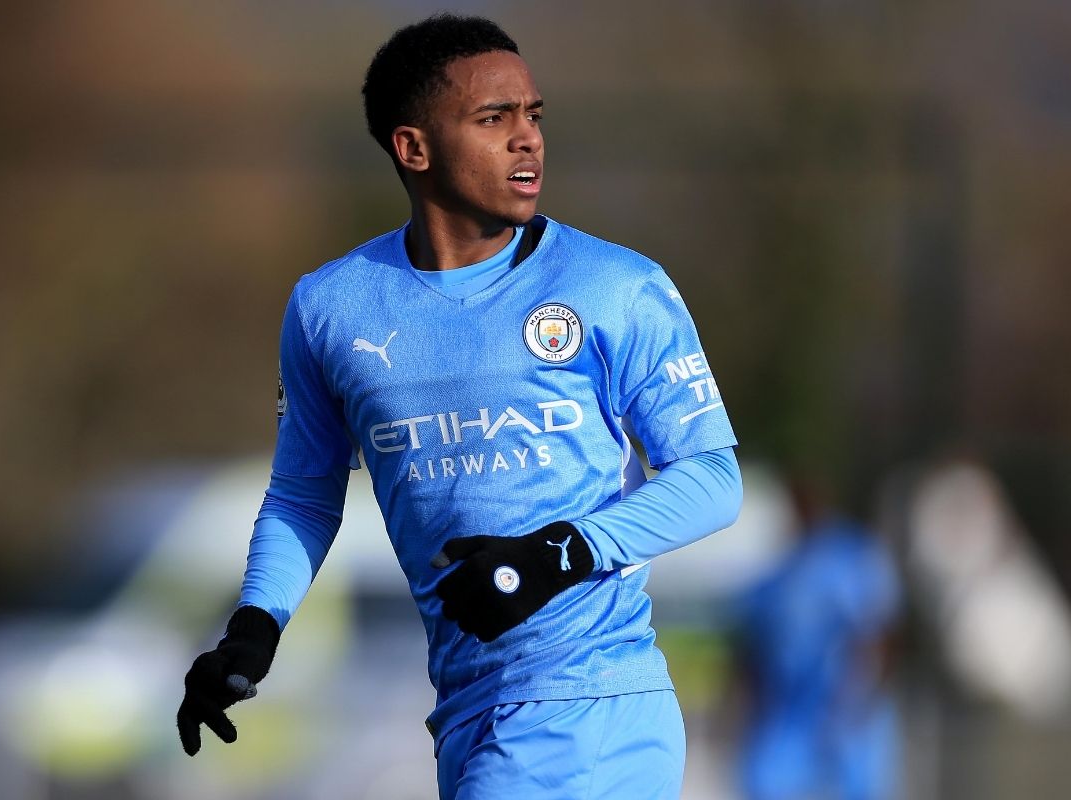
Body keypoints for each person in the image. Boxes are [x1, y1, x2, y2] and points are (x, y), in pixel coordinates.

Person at [175, 13, 742, 799]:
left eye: (534, 116)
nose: (528, 139)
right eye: (494, 118)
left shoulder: (615, 287)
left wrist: (556, 555)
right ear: (414, 148)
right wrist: (254, 628)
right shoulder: (331, 308)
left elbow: (712, 478)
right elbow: (305, 494)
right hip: (469, 710)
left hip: (590, 706)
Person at [732, 479, 901, 800]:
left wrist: (861, 699)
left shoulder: (851, 557)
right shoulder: (777, 572)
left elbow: (881, 633)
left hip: (847, 709)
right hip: (788, 713)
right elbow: (750, 648)